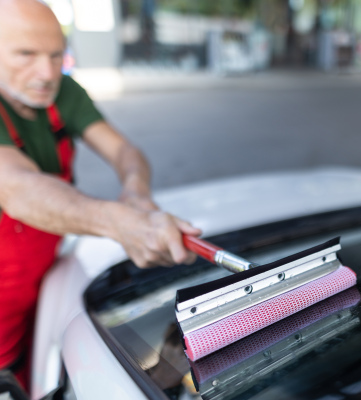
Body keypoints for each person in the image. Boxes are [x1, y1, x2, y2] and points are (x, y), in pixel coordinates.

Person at [0, 0, 201, 390]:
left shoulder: (63, 93)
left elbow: (126, 152)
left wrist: (137, 194)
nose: (46, 73)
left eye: (56, 55)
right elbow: (19, 189)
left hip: (43, 281)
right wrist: (122, 224)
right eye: (25, 54)